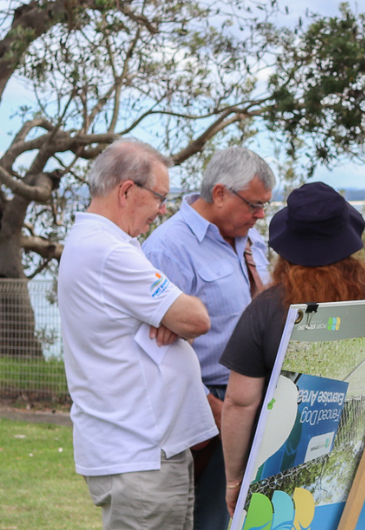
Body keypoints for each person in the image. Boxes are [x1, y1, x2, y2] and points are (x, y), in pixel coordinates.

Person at [59, 138, 215, 530]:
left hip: (145, 450)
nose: (163, 210)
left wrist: (170, 318)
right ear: (127, 190)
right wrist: (173, 317)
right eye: (160, 197)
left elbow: (180, 320)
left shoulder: (105, 244)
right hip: (141, 454)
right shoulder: (111, 252)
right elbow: (196, 319)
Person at [218, 182, 365, 513]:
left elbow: (240, 403)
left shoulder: (266, 309)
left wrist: (235, 480)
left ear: (287, 245)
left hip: (283, 490)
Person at [144, 146, 276, 530]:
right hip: (207, 410)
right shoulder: (168, 249)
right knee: (209, 519)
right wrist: (211, 411)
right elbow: (155, 352)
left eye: (265, 205)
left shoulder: (253, 243)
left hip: (253, 402)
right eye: (254, 205)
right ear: (220, 193)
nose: (260, 215)